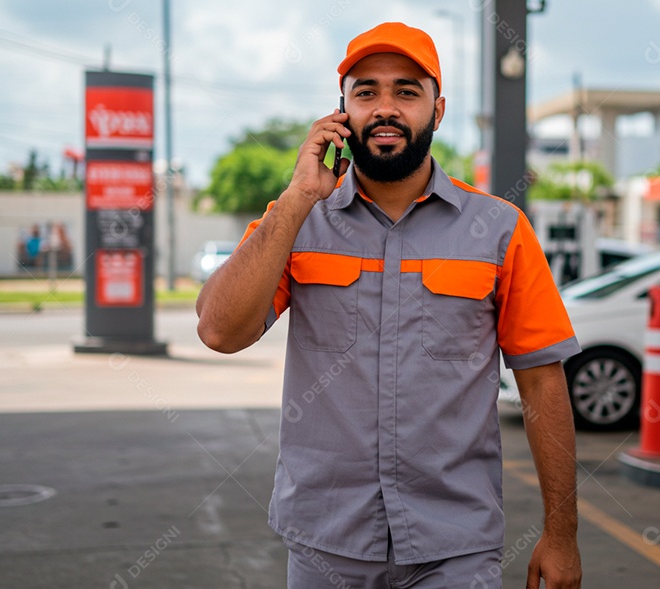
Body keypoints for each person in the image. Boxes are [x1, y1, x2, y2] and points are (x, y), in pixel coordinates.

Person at [196, 22, 582, 589]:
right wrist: (300, 195)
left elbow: (543, 384)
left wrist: (561, 534)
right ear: (341, 112)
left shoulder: (499, 230)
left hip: (455, 547)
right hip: (326, 543)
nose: (386, 108)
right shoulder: (294, 222)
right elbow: (219, 331)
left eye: (407, 91)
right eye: (366, 91)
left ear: (438, 109)